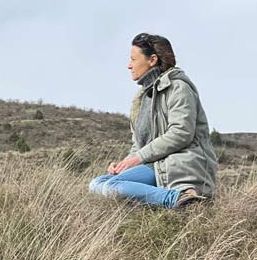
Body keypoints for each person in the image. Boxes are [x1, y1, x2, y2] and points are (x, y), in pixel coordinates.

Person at [89, 33, 218, 209]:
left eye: (133, 59)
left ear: (152, 60)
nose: (129, 65)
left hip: (180, 164)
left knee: (110, 185)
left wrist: (136, 159)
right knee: (98, 183)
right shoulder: (142, 98)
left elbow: (181, 134)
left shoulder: (178, 87)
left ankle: (178, 199)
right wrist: (123, 164)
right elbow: (139, 145)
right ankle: (175, 198)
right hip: (155, 165)